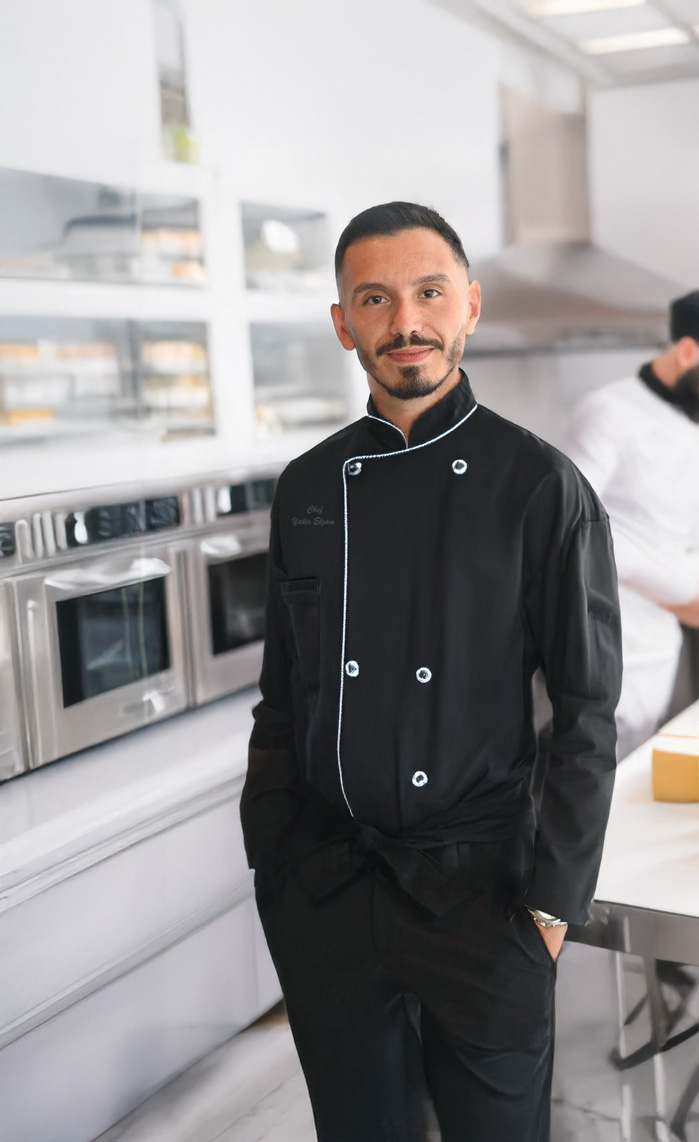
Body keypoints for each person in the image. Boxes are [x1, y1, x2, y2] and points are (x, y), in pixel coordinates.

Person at [240, 201, 622, 1142]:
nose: (404, 321)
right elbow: (283, 698)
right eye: (374, 299)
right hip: (328, 889)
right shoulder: (307, 486)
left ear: (470, 307)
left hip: (482, 899)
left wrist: (550, 908)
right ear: (343, 324)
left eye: (428, 292)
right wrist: (273, 863)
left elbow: (585, 712)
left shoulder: (539, 486)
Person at [566, 291, 699, 759]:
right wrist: (681, 590)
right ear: (688, 351)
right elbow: (571, 527)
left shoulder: (691, 421)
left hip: (662, 645)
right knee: (595, 781)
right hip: (604, 646)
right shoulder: (609, 412)